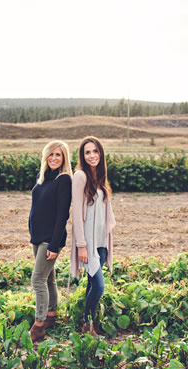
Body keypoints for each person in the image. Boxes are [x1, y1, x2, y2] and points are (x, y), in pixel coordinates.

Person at [70, 136, 116, 337]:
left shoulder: (101, 177)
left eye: (95, 151)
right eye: (87, 152)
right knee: (98, 286)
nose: (92, 156)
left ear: (101, 153)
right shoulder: (80, 176)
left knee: (91, 283)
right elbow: (77, 215)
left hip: (101, 241)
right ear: (82, 155)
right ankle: (87, 323)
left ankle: (87, 325)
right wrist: (81, 245)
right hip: (88, 241)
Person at [28, 140, 72, 342]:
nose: (54, 158)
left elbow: (62, 215)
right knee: (48, 279)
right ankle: (52, 315)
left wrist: (54, 245)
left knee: (37, 280)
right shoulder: (42, 177)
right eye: (51, 154)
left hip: (50, 239)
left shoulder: (64, 180)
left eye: (58, 155)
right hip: (37, 237)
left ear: (64, 159)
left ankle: (39, 325)